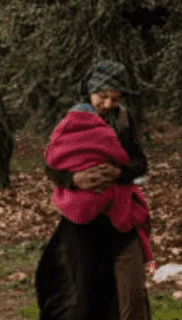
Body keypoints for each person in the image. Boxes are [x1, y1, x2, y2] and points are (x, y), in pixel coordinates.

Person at [36, 60, 151, 320]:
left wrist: (119, 173)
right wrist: (74, 180)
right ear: (90, 92)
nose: (108, 104)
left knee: (131, 292)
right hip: (83, 224)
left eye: (115, 98)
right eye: (102, 96)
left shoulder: (123, 119)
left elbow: (139, 162)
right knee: (81, 294)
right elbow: (52, 167)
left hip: (119, 217)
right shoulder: (71, 122)